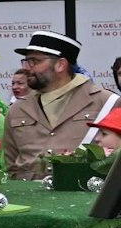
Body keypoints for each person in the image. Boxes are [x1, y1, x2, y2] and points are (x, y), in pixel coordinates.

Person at [6, 31, 121, 180]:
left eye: (35, 61)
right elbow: (11, 167)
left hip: (86, 200)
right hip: (29, 201)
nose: (28, 68)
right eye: (26, 61)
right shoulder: (17, 109)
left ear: (60, 64)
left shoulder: (107, 102)